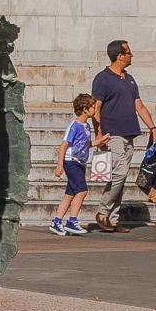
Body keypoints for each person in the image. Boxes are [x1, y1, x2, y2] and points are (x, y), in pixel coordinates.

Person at [91, 40, 156, 233]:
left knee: (121, 176)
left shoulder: (129, 78)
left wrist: (153, 128)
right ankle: (103, 212)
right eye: (129, 53)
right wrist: (99, 133)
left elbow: (139, 105)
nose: (131, 56)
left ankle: (113, 218)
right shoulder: (103, 78)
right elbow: (96, 107)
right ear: (119, 55)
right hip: (112, 135)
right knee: (119, 174)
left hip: (129, 134)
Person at [51, 94, 109, 235]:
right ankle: (72, 221)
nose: (95, 110)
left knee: (69, 194)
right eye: (93, 107)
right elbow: (64, 145)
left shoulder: (86, 126)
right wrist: (60, 166)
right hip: (71, 162)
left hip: (80, 162)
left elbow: (85, 144)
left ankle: (56, 222)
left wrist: (99, 141)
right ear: (85, 109)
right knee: (82, 191)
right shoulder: (75, 126)